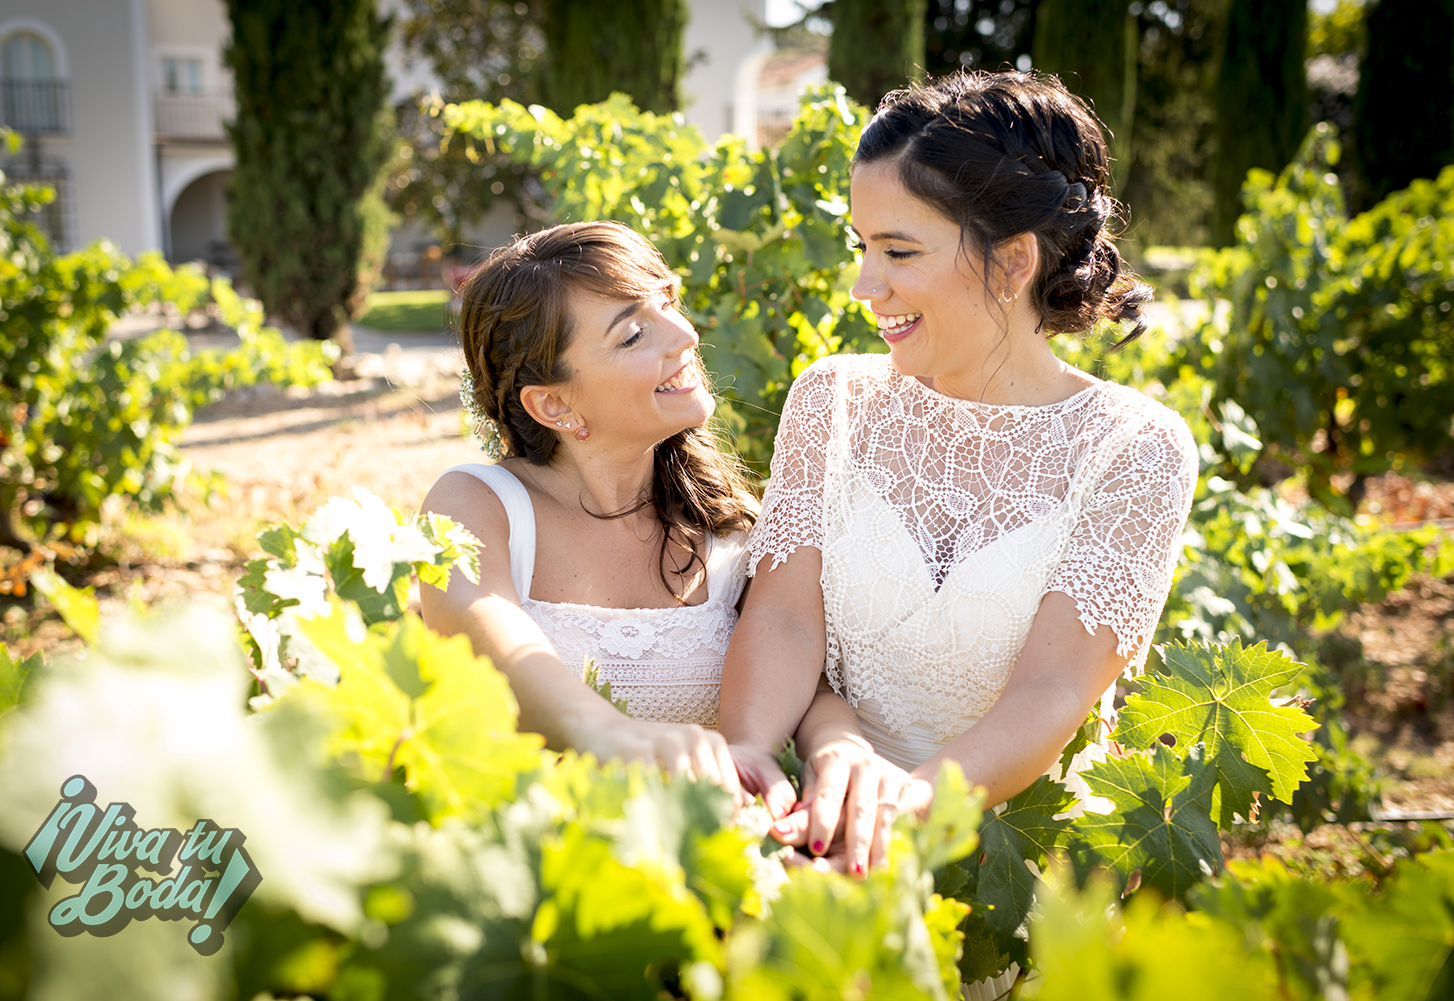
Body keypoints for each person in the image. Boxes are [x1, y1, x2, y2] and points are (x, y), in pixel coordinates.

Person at [720, 71, 1200, 880]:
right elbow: (785, 624)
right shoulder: (830, 399)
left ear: (1012, 262)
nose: (865, 288)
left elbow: (1049, 693)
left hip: (1010, 866)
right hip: (814, 827)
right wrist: (752, 765)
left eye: (899, 251)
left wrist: (895, 819)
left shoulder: (1135, 446)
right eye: (861, 248)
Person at [420, 221, 762, 791]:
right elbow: (498, 648)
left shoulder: (730, 526)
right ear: (553, 403)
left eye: (668, 303)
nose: (683, 336)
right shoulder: (474, 508)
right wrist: (612, 736)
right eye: (633, 335)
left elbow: (812, 686)